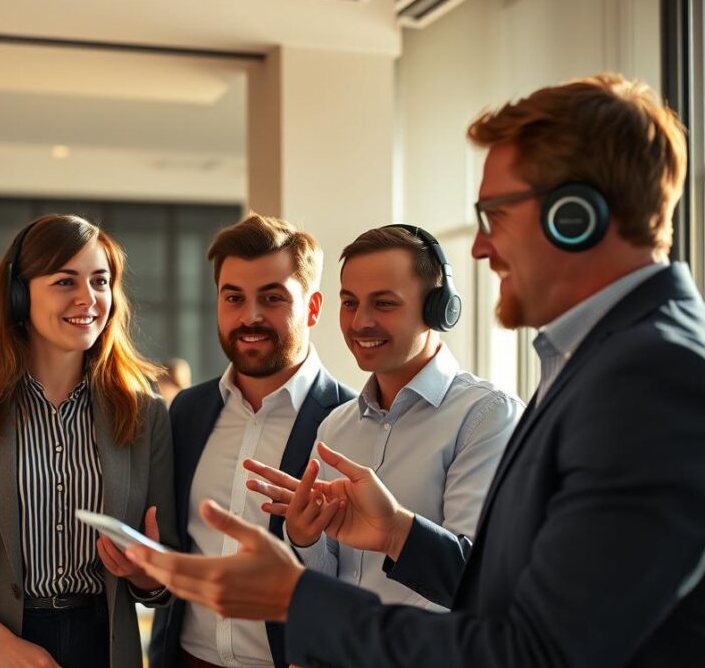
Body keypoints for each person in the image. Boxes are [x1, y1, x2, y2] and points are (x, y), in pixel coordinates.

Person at [126, 74, 705, 667]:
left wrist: (296, 599)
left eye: (496, 215)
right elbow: (508, 599)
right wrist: (398, 532)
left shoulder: (651, 379)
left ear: (574, 216)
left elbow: (535, 653)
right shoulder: (603, 363)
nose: (480, 248)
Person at [0, 214, 177, 668]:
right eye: (64, 281)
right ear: (19, 295)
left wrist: (147, 575)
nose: (88, 298)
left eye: (100, 281)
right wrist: (1, 646)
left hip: (103, 648)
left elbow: (165, 567)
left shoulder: (145, 413)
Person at [244, 225, 522, 609]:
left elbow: (482, 578)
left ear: (438, 309)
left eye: (384, 304)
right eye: (350, 302)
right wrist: (305, 538)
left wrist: (397, 531)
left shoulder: (488, 417)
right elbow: (330, 581)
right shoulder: (336, 427)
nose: (360, 322)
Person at [149, 214, 356, 668]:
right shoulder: (187, 411)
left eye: (272, 298)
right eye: (234, 298)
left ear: (313, 308)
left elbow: (362, 583)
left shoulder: (352, 422)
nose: (250, 316)